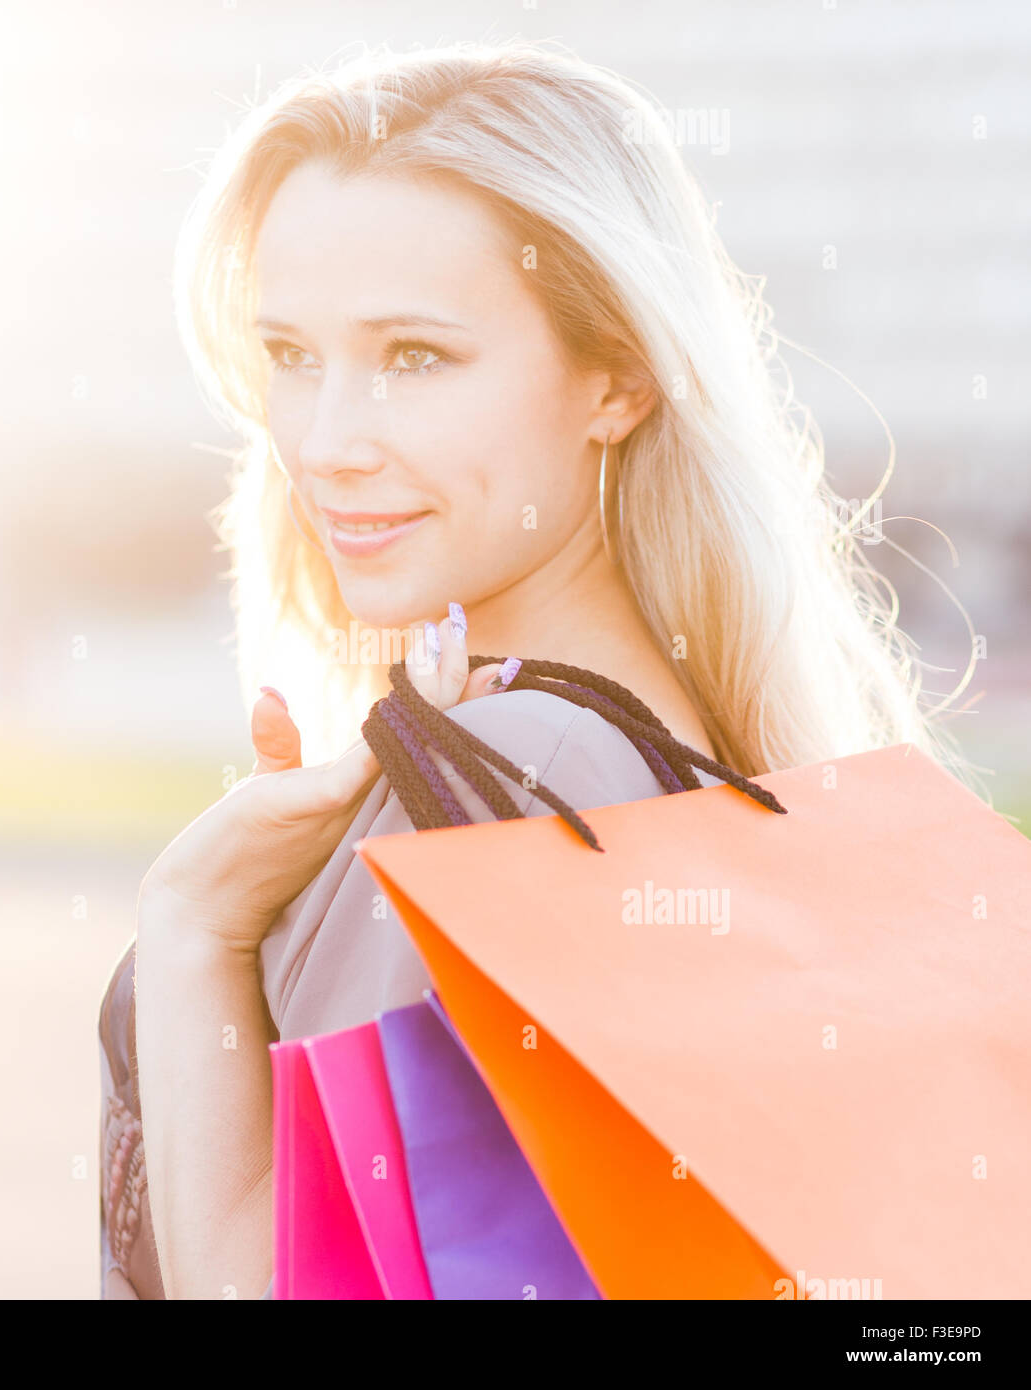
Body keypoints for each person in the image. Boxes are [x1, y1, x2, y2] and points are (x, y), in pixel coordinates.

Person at [98, 37, 975, 1299]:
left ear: (615, 376)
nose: (327, 441)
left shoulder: (517, 768)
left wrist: (198, 922)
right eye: (291, 355)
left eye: (413, 357)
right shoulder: (696, 767)